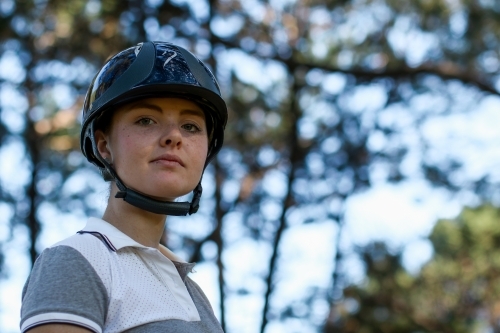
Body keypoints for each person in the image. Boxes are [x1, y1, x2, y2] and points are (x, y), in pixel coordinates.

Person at [19, 41, 227, 333]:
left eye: (190, 126)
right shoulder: (78, 260)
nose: (173, 137)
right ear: (104, 145)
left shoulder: (194, 293)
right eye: (146, 120)